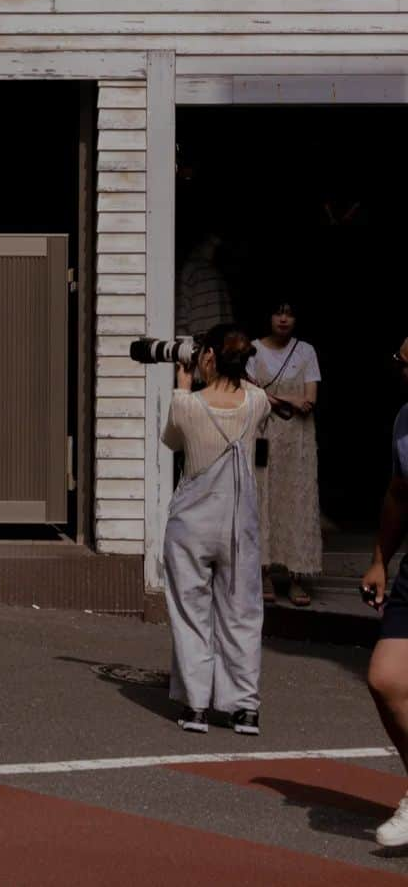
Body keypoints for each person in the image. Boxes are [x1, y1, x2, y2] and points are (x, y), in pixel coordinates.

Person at [162, 324, 271, 736]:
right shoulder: (257, 402)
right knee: (242, 612)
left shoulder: (186, 405)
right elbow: (254, 392)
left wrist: (183, 385)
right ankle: (244, 708)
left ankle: (196, 706)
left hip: (190, 523)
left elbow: (172, 442)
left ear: (206, 357)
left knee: (191, 613)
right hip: (237, 524)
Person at [361, 338, 408, 847]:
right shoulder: (404, 419)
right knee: (386, 677)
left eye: (403, 363)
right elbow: (399, 492)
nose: (397, 369)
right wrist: (380, 560)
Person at [247, 301, 322, 607]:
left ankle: (295, 577)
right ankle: (263, 573)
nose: (283, 318)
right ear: (268, 316)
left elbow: (309, 401)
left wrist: (276, 398)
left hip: (298, 441)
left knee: (297, 501)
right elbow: (251, 394)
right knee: (263, 498)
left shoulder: (306, 351)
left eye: (289, 313)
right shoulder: (252, 350)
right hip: (264, 436)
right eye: (278, 312)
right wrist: (287, 399)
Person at [175, 232, 234, 339]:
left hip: (222, 343)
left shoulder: (220, 269)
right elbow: (181, 318)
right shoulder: (190, 270)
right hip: (199, 344)